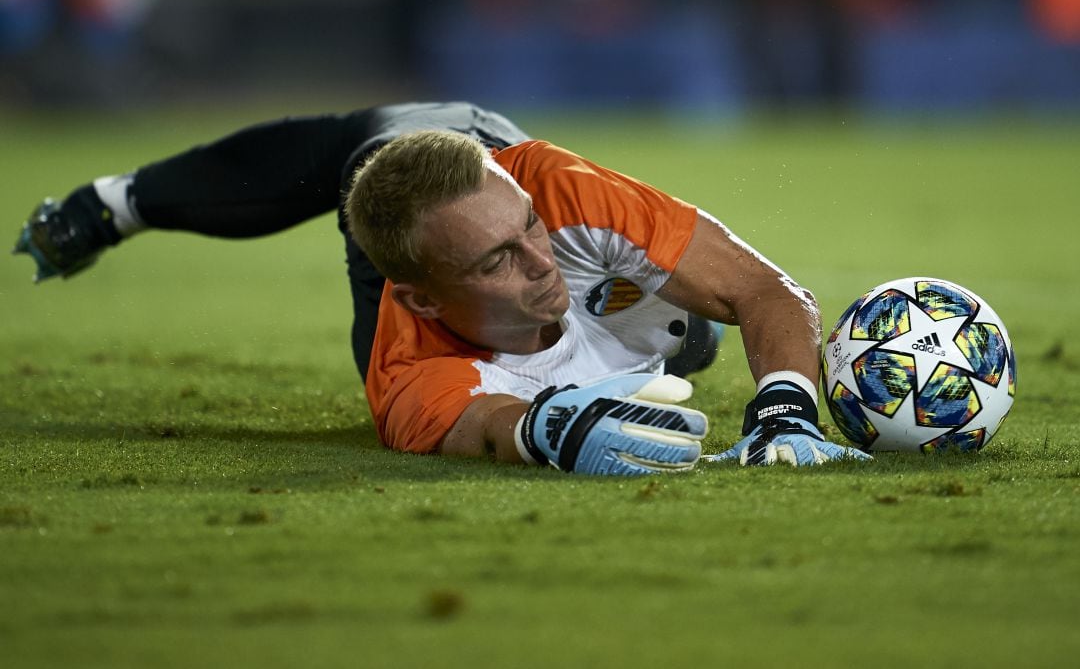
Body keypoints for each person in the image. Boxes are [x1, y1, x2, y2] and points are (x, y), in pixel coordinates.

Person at [13, 101, 871, 474]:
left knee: (697, 318)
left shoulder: (562, 188)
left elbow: (769, 290)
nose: (539, 262)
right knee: (344, 152)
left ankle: (652, 319)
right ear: (423, 299)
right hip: (387, 206)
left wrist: (787, 407)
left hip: (483, 145)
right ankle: (113, 202)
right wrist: (548, 430)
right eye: (497, 260)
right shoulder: (408, 371)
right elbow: (496, 431)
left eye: (529, 230)